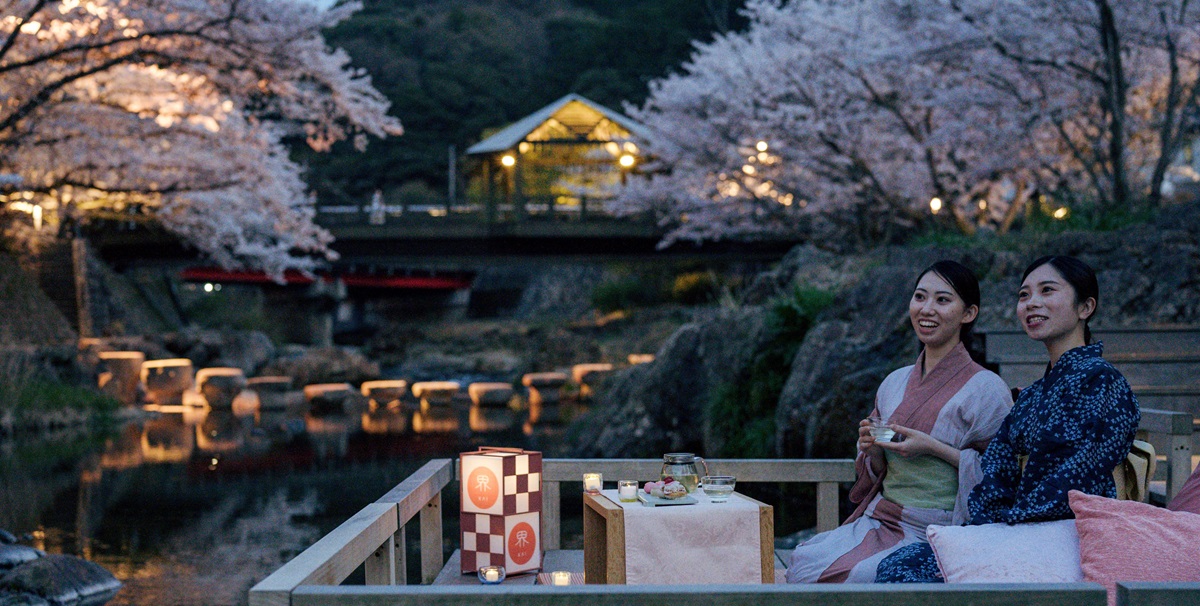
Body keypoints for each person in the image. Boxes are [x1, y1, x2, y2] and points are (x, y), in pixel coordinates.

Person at [876, 255, 1140, 583]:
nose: (1032, 303)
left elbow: (1076, 481)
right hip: (1020, 530)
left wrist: (1006, 525)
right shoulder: (1033, 394)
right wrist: (988, 524)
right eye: (1024, 295)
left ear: (1085, 307)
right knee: (903, 562)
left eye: (1047, 291)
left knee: (906, 571)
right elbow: (996, 468)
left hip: (1069, 534)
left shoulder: (1101, 382)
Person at [786, 260, 1013, 583]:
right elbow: (874, 469)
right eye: (920, 297)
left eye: (943, 300)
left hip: (939, 528)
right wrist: (873, 450)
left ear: (969, 313)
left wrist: (934, 448)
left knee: (861, 575)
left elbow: (1000, 474)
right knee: (804, 560)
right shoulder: (894, 381)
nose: (927, 309)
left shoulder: (988, 389)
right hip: (882, 516)